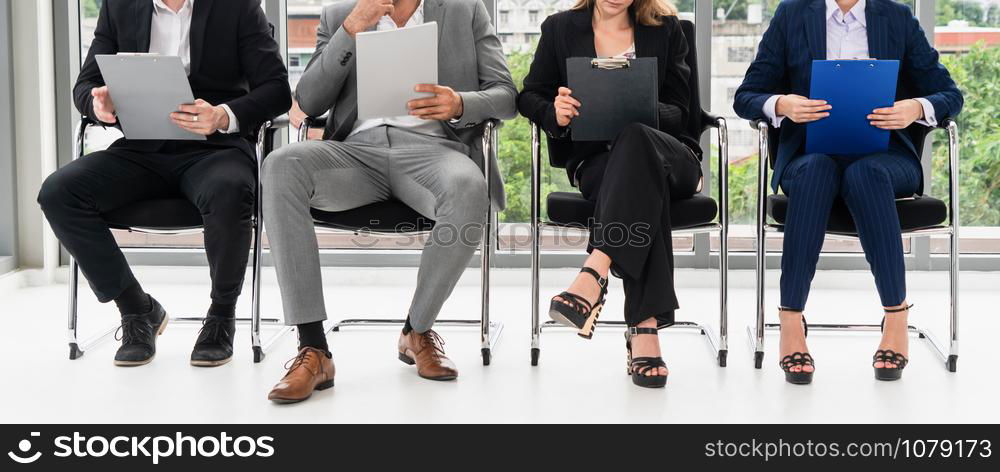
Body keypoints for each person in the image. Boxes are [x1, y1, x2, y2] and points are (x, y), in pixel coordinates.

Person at [263, 0, 516, 404]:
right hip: (356, 154)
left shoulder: (464, 10)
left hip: (433, 150)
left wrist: (461, 104)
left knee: (469, 186)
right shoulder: (338, 15)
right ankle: (313, 349)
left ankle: (416, 330)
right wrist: (352, 28)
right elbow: (309, 103)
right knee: (280, 165)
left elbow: (506, 95)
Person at [37, 0, 291, 367]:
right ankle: (137, 310)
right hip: (141, 148)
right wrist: (98, 107)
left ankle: (221, 316)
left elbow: (277, 90)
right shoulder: (121, 7)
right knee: (59, 192)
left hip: (215, 149)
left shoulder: (238, 7)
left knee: (231, 188)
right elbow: (86, 86)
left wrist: (223, 115)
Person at [734, 0, 963, 383]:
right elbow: (746, 96)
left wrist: (915, 108)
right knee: (816, 172)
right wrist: (782, 104)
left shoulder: (896, 17)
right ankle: (791, 321)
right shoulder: (793, 14)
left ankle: (896, 317)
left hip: (886, 158)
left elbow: (949, 94)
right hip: (811, 155)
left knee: (866, 174)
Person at [518, 0, 702, 388]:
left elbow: (681, 111)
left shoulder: (667, 28)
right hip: (599, 162)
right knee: (640, 190)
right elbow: (529, 95)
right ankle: (644, 328)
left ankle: (594, 271)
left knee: (636, 140)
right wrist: (557, 111)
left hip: (670, 155)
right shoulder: (559, 28)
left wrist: (633, 105)